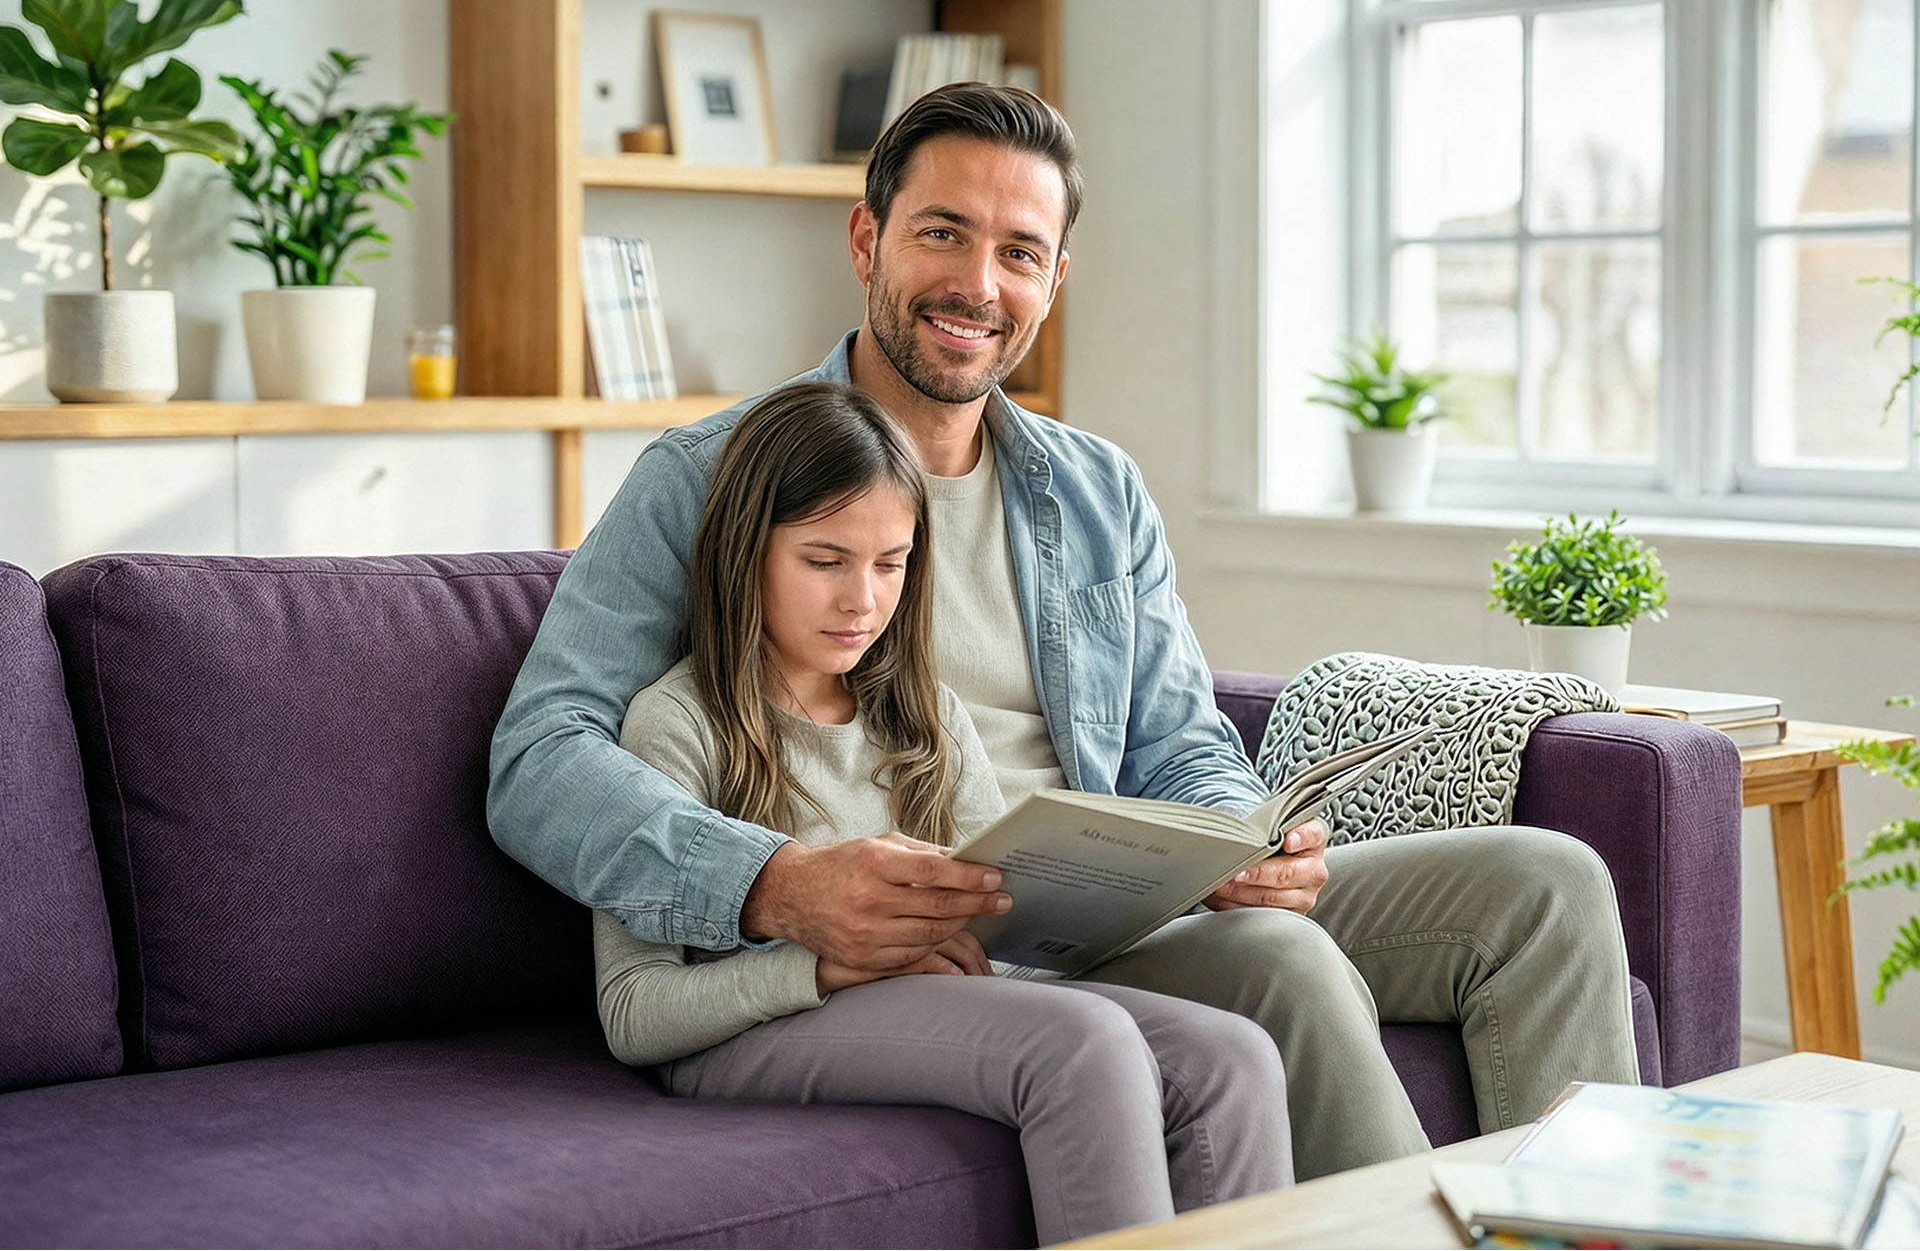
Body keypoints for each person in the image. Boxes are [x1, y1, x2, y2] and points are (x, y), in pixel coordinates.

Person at [491, 82, 1641, 1181]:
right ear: (866, 241)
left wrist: (1237, 838)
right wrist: (774, 883)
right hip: (946, 942)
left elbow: (1178, 738)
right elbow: (541, 758)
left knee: (1546, 882)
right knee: (1280, 965)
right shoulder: (710, 480)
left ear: (1054, 277)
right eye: (942, 233)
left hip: (1121, 907)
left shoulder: (1096, 489)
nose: (977, 283)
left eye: (1018, 252)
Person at [590, 379, 1293, 1243]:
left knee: (1232, 1057)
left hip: (921, 1005)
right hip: (760, 1025)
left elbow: (995, 944)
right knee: (1085, 1048)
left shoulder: (927, 713)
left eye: (892, 565)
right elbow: (633, 1010)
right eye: (824, 561)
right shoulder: (675, 722)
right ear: (746, 554)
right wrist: (822, 968)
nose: (862, 601)